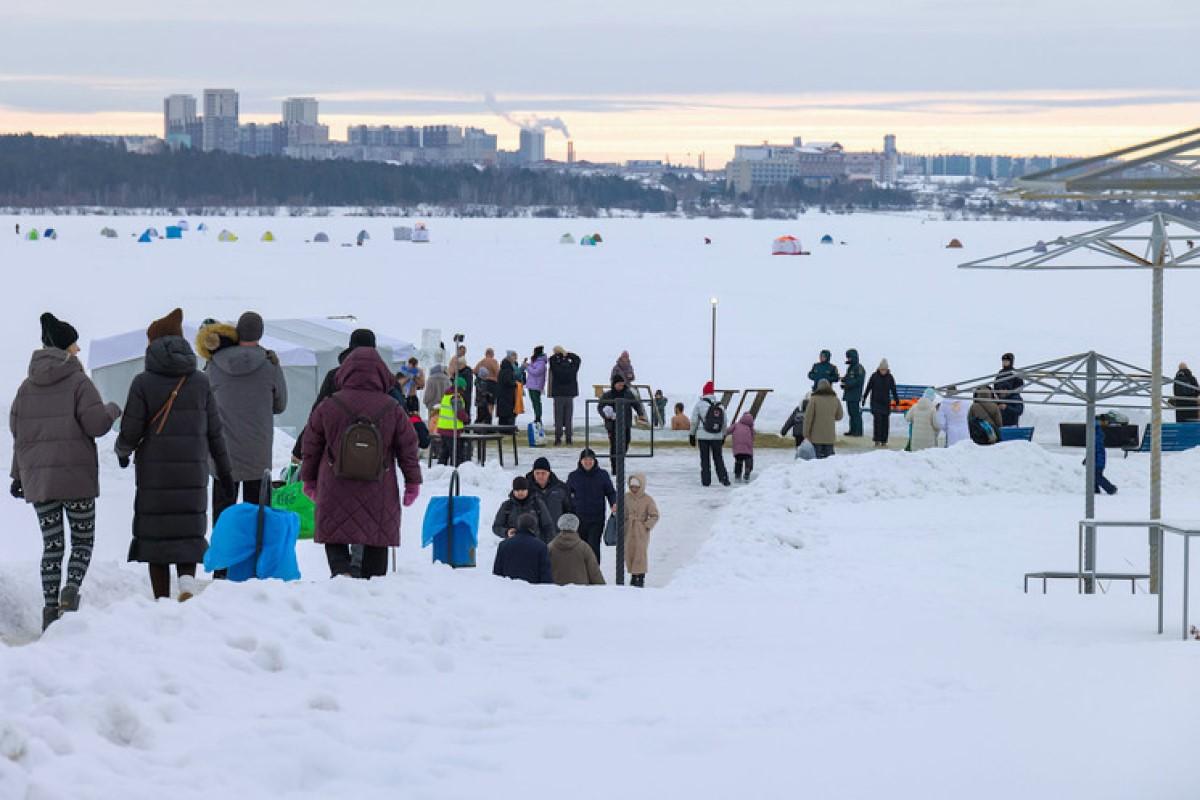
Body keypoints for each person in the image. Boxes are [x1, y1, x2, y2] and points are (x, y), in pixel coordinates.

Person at [10, 313, 122, 630]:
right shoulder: (79, 382)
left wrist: (17, 476)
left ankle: (49, 613)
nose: (77, 350)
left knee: (52, 547)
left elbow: (20, 437)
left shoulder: (25, 389)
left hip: (40, 482)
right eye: (74, 344)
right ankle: (70, 591)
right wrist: (112, 409)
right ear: (66, 347)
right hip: (76, 481)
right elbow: (97, 425)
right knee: (82, 542)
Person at [115, 308, 233, 601]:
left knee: (156, 534)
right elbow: (215, 432)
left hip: (154, 472)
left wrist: (123, 451)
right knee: (187, 531)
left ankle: (160, 599)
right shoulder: (199, 381)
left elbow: (130, 427)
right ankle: (186, 584)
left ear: (153, 344)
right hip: (192, 470)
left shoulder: (142, 382)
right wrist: (225, 471)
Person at [300, 347, 422, 579]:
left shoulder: (329, 405)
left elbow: (311, 445)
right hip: (379, 482)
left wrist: (309, 479)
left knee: (334, 528)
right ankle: (373, 582)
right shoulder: (392, 408)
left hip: (335, 480)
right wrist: (412, 482)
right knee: (378, 529)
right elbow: (409, 446)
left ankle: (340, 571)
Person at [204, 311, 288, 527]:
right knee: (258, 521)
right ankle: (256, 559)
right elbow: (280, 405)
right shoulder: (270, 364)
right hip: (257, 454)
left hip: (223, 453)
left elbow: (204, 403)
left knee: (224, 520)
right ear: (260, 334)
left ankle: (223, 559)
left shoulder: (214, 364)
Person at [290, 328, 386, 462]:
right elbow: (400, 418)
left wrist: (299, 450)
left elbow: (317, 415)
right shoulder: (386, 379)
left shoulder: (335, 377)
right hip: (376, 457)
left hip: (336, 454)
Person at [566, 448, 616, 564]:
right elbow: (566, 495)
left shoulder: (602, 475)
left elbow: (610, 492)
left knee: (593, 547)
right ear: (580, 461)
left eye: (590, 460)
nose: (588, 462)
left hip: (596, 519)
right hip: (578, 520)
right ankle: (581, 574)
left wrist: (614, 503)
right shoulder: (573, 476)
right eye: (585, 460)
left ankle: (594, 573)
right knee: (579, 548)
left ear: (594, 461)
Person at [599, 373, 647, 473]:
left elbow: (636, 404)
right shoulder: (607, 395)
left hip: (626, 424)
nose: (621, 386)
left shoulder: (628, 393)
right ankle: (615, 468)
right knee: (614, 446)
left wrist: (640, 414)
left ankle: (620, 461)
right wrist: (605, 414)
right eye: (619, 384)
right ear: (614, 384)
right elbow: (600, 407)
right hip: (612, 425)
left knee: (626, 442)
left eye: (622, 384)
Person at [492, 512, 553, 584]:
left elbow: (497, 573)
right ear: (534, 527)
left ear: (518, 526)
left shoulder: (503, 545)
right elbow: (545, 575)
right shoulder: (541, 546)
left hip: (508, 589)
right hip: (532, 590)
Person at [690, 380, 730, 486]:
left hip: (703, 436)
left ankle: (706, 481)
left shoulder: (699, 405)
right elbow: (724, 422)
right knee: (718, 458)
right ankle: (724, 479)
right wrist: (723, 435)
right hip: (717, 436)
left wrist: (692, 435)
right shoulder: (720, 406)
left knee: (705, 459)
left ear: (704, 392)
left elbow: (694, 422)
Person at [492, 476, 555, 543]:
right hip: (513, 546)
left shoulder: (538, 504)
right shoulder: (507, 506)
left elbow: (548, 526)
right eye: (517, 490)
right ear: (513, 490)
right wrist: (506, 532)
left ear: (527, 489)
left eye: (523, 490)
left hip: (535, 546)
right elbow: (496, 527)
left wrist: (547, 546)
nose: (520, 493)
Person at [623, 473, 659, 588]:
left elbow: (654, 515)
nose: (634, 489)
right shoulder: (626, 497)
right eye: (632, 486)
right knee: (630, 552)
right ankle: (633, 576)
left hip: (640, 531)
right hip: (629, 530)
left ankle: (641, 577)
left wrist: (646, 525)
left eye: (636, 487)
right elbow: (622, 512)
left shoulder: (648, 499)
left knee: (640, 553)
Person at [548, 513, 605, 586]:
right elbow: (594, 573)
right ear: (576, 526)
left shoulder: (551, 547)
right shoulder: (584, 547)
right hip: (580, 592)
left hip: (557, 591)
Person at [548, 346, 581, 446]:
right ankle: (569, 439)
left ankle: (558, 439)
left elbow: (552, 360)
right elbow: (577, 359)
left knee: (558, 418)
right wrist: (567, 354)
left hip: (558, 394)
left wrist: (558, 354)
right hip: (569, 395)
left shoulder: (556, 367)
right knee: (568, 418)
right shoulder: (572, 367)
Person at [862, 359, 899, 447]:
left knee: (885, 422)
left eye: (885, 370)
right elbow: (868, 388)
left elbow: (893, 390)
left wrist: (897, 401)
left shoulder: (890, 377)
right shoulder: (874, 376)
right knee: (877, 421)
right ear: (879, 369)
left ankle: (884, 440)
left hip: (886, 403)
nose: (883, 371)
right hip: (875, 402)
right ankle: (877, 439)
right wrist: (864, 398)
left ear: (887, 370)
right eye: (882, 370)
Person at [803, 379, 843, 458]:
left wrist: (806, 433)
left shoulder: (814, 399)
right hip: (830, 437)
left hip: (816, 437)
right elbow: (839, 416)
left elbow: (808, 418)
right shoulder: (835, 399)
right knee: (829, 460)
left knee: (817, 460)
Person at [527, 456, 573, 522]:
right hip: (534, 531)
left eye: (543, 473)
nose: (540, 476)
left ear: (549, 473)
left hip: (556, 530)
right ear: (533, 473)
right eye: (537, 473)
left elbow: (569, 510)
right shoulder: (526, 488)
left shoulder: (561, 488)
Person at [437, 377, 470, 466]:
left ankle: (440, 471)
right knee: (456, 456)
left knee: (444, 454)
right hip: (452, 430)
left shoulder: (447, 395)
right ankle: (454, 472)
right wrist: (466, 418)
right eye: (463, 389)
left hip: (443, 429)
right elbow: (459, 413)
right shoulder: (455, 397)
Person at [994, 353, 1025, 427]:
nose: (1004, 362)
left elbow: (1020, 386)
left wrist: (1011, 392)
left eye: (1007, 361)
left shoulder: (1015, 373)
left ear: (1011, 361)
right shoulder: (1000, 373)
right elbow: (995, 385)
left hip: (1011, 397)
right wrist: (998, 393)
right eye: (1003, 361)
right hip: (1000, 398)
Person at [841, 348, 866, 437]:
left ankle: (858, 431)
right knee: (851, 413)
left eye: (849, 357)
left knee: (855, 413)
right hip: (849, 394)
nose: (848, 359)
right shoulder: (851, 367)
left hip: (855, 394)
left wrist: (847, 384)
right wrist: (843, 380)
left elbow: (858, 381)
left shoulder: (859, 368)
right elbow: (849, 378)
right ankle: (852, 430)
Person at [1092, 416, 1118, 495]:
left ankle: (1110, 489)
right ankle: (1094, 489)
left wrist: (1090, 458)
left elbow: (1095, 448)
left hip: (1098, 459)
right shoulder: (1097, 431)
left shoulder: (1096, 432)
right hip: (1098, 458)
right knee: (1093, 474)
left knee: (1096, 475)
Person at [526, 346, 548, 426]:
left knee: (536, 402)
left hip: (536, 385)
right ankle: (537, 417)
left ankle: (538, 418)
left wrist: (527, 367)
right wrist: (529, 365)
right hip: (532, 384)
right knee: (534, 402)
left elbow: (536, 372)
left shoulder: (541, 362)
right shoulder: (537, 361)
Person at [730, 412, 756, 481]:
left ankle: (737, 475)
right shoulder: (750, 428)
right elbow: (753, 437)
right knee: (748, 460)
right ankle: (747, 470)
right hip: (747, 449)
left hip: (738, 449)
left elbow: (728, 430)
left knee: (738, 461)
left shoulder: (736, 425)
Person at [423, 362, 451, 429]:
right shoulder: (447, 379)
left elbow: (428, 395)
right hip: (444, 406)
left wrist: (425, 402)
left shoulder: (430, 379)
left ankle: (433, 438)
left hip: (433, 407)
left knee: (433, 425)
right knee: (443, 426)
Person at [475, 348, 501, 417]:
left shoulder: (481, 361)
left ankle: (482, 418)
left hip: (482, 383)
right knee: (491, 403)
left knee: (482, 402)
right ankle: (489, 417)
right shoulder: (494, 361)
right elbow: (498, 372)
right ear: (491, 354)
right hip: (492, 383)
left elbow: (475, 371)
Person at [496, 351, 518, 426]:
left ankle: (504, 428)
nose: (515, 359)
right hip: (507, 395)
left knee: (503, 414)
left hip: (503, 395)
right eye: (514, 357)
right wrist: (516, 384)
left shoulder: (503, 369)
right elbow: (507, 381)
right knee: (508, 414)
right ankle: (508, 429)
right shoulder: (507, 370)